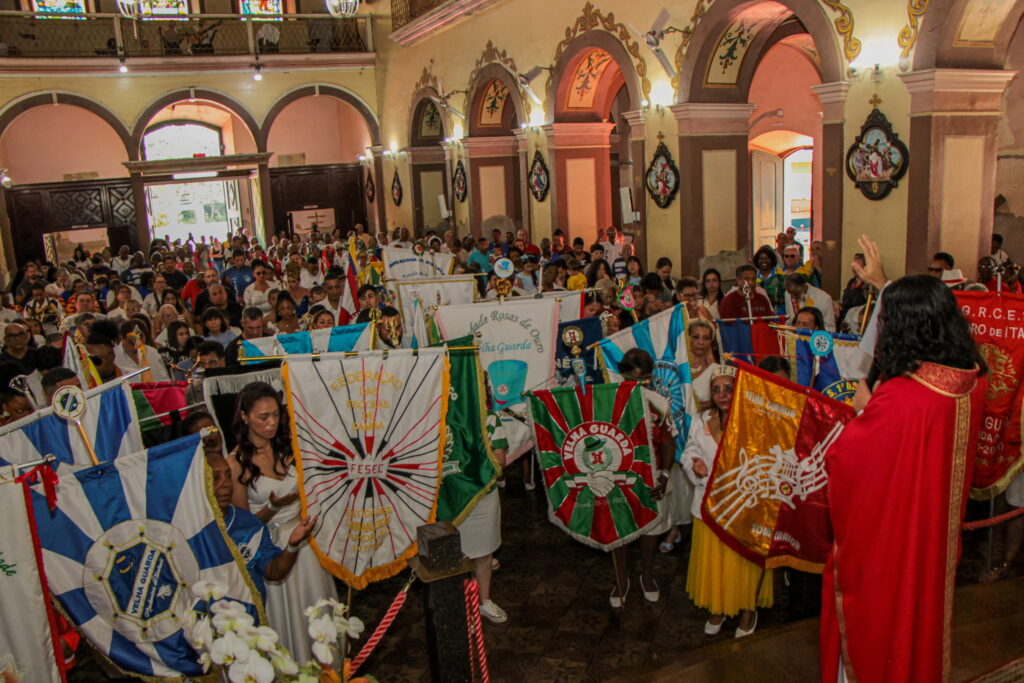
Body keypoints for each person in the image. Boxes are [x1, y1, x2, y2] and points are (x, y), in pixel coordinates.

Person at [820, 273, 987, 682]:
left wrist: (864, 409)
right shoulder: (972, 378)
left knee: (885, 628)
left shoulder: (903, 397)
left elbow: (846, 463)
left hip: (895, 541)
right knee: (924, 619)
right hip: (937, 534)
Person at [226, 382, 338, 661]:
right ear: (245, 416)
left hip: (305, 544)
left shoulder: (289, 447)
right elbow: (244, 527)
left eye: (276, 415)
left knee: (316, 610)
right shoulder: (236, 462)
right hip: (271, 549)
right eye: (263, 417)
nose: (272, 423)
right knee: (287, 622)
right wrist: (273, 507)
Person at [683, 364, 772, 637]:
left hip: (744, 507)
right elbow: (689, 452)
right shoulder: (700, 420)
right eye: (717, 389)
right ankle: (718, 607)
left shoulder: (755, 419)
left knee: (742, 561)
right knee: (716, 562)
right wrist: (694, 464)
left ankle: (748, 610)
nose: (722, 394)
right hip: (709, 506)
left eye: (728, 389)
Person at [609, 349, 677, 607]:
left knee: (652, 530)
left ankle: (647, 577)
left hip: (651, 476)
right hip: (619, 477)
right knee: (620, 532)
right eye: (632, 380)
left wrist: (664, 475)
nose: (638, 385)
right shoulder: (608, 401)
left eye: (644, 380)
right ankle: (620, 580)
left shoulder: (657, 402)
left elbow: (668, 442)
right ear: (623, 375)